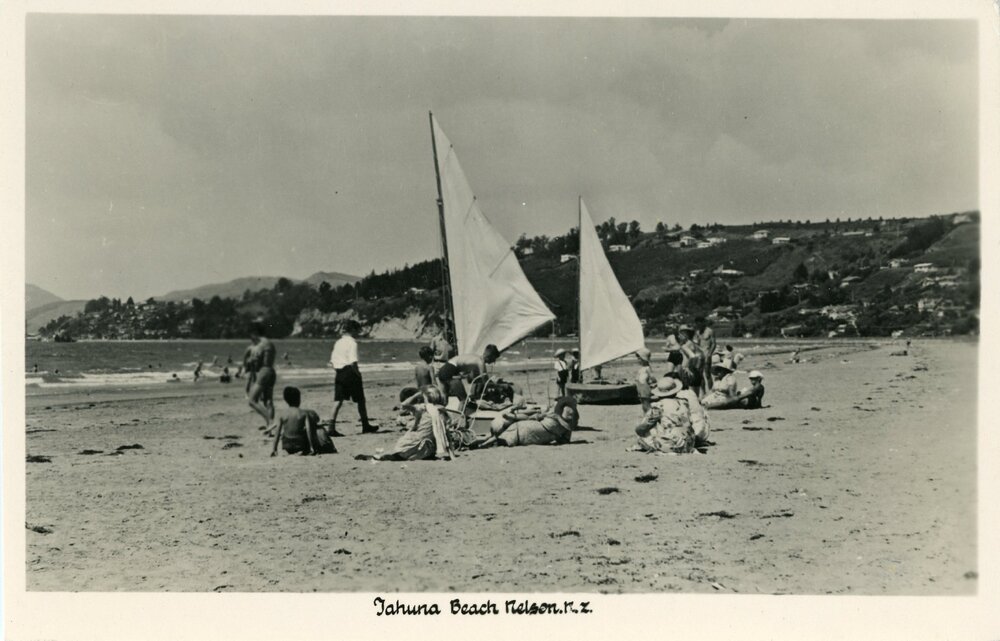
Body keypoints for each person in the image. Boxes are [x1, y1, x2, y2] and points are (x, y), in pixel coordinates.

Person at [357, 387, 452, 461]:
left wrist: (417, 394)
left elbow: (403, 404)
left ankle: (378, 458)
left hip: (412, 445)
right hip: (427, 449)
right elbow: (447, 435)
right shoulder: (443, 413)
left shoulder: (423, 409)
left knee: (395, 454)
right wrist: (452, 455)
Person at [473, 396, 579, 448]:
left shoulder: (551, 415)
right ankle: (479, 443)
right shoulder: (565, 428)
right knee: (499, 439)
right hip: (534, 432)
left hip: (528, 427)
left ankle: (475, 442)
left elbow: (535, 416)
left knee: (498, 437)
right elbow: (564, 441)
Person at [329, 320, 377, 435]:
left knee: (338, 401)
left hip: (339, 372)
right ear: (353, 330)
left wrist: (338, 370)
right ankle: (365, 425)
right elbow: (353, 362)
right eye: (357, 330)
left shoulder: (338, 342)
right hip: (350, 372)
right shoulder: (352, 343)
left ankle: (331, 427)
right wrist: (358, 374)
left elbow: (332, 361)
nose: (358, 332)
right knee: (360, 400)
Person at [631, 377, 695, 454]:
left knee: (643, 436)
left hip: (671, 446)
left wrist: (638, 429)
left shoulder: (658, 406)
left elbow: (643, 428)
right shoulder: (684, 402)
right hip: (689, 443)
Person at [270, 386, 336, 456]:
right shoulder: (303, 413)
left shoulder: (282, 414)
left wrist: (274, 449)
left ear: (286, 400)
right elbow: (309, 431)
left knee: (285, 434)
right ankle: (302, 450)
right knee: (309, 431)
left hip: (287, 445)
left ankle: (288, 451)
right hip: (299, 445)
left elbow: (277, 433)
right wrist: (312, 447)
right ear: (299, 399)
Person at [436, 344, 500, 405]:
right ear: (490, 356)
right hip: (449, 371)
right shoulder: (480, 362)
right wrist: (496, 386)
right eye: (494, 359)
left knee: (445, 401)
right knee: (464, 400)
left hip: (444, 370)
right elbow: (485, 380)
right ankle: (461, 416)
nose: (493, 362)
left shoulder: (475, 358)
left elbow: (471, 379)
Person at [248, 321, 277, 432]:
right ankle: (270, 428)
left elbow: (256, 362)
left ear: (255, 333)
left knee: (252, 400)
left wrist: (250, 361)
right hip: (271, 371)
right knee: (268, 401)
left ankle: (270, 421)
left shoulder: (260, 345)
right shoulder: (270, 343)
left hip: (263, 372)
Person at [677, 325, 706, 398]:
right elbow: (701, 356)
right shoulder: (694, 344)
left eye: (680, 334)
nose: (678, 336)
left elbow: (692, 356)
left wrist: (688, 367)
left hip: (688, 371)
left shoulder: (685, 346)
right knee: (695, 394)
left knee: (688, 394)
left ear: (685, 335)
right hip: (695, 370)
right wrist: (698, 367)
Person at [693, 317, 717, 391]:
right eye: (697, 323)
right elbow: (696, 343)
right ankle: (703, 392)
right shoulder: (697, 332)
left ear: (703, 322)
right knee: (700, 375)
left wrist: (710, 354)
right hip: (699, 355)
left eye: (699, 323)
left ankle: (711, 391)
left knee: (707, 374)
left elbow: (713, 344)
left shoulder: (710, 331)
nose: (698, 325)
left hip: (707, 353)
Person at [634, 347, 657, 414]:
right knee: (643, 404)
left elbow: (652, 377)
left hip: (645, 388)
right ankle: (646, 415)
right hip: (640, 388)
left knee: (646, 404)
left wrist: (652, 382)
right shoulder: (642, 368)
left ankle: (649, 415)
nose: (638, 360)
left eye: (639, 358)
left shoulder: (647, 368)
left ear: (643, 359)